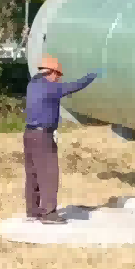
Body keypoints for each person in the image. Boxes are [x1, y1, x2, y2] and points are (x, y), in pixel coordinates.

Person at [23, 55, 99, 224]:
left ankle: (33, 211)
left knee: (33, 174)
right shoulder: (49, 88)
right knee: (49, 174)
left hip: (29, 135)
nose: (58, 79)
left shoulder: (32, 84)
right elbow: (73, 87)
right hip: (43, 136)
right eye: (57, 75)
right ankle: (49, 214)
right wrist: (90, 77)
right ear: (50, 72)